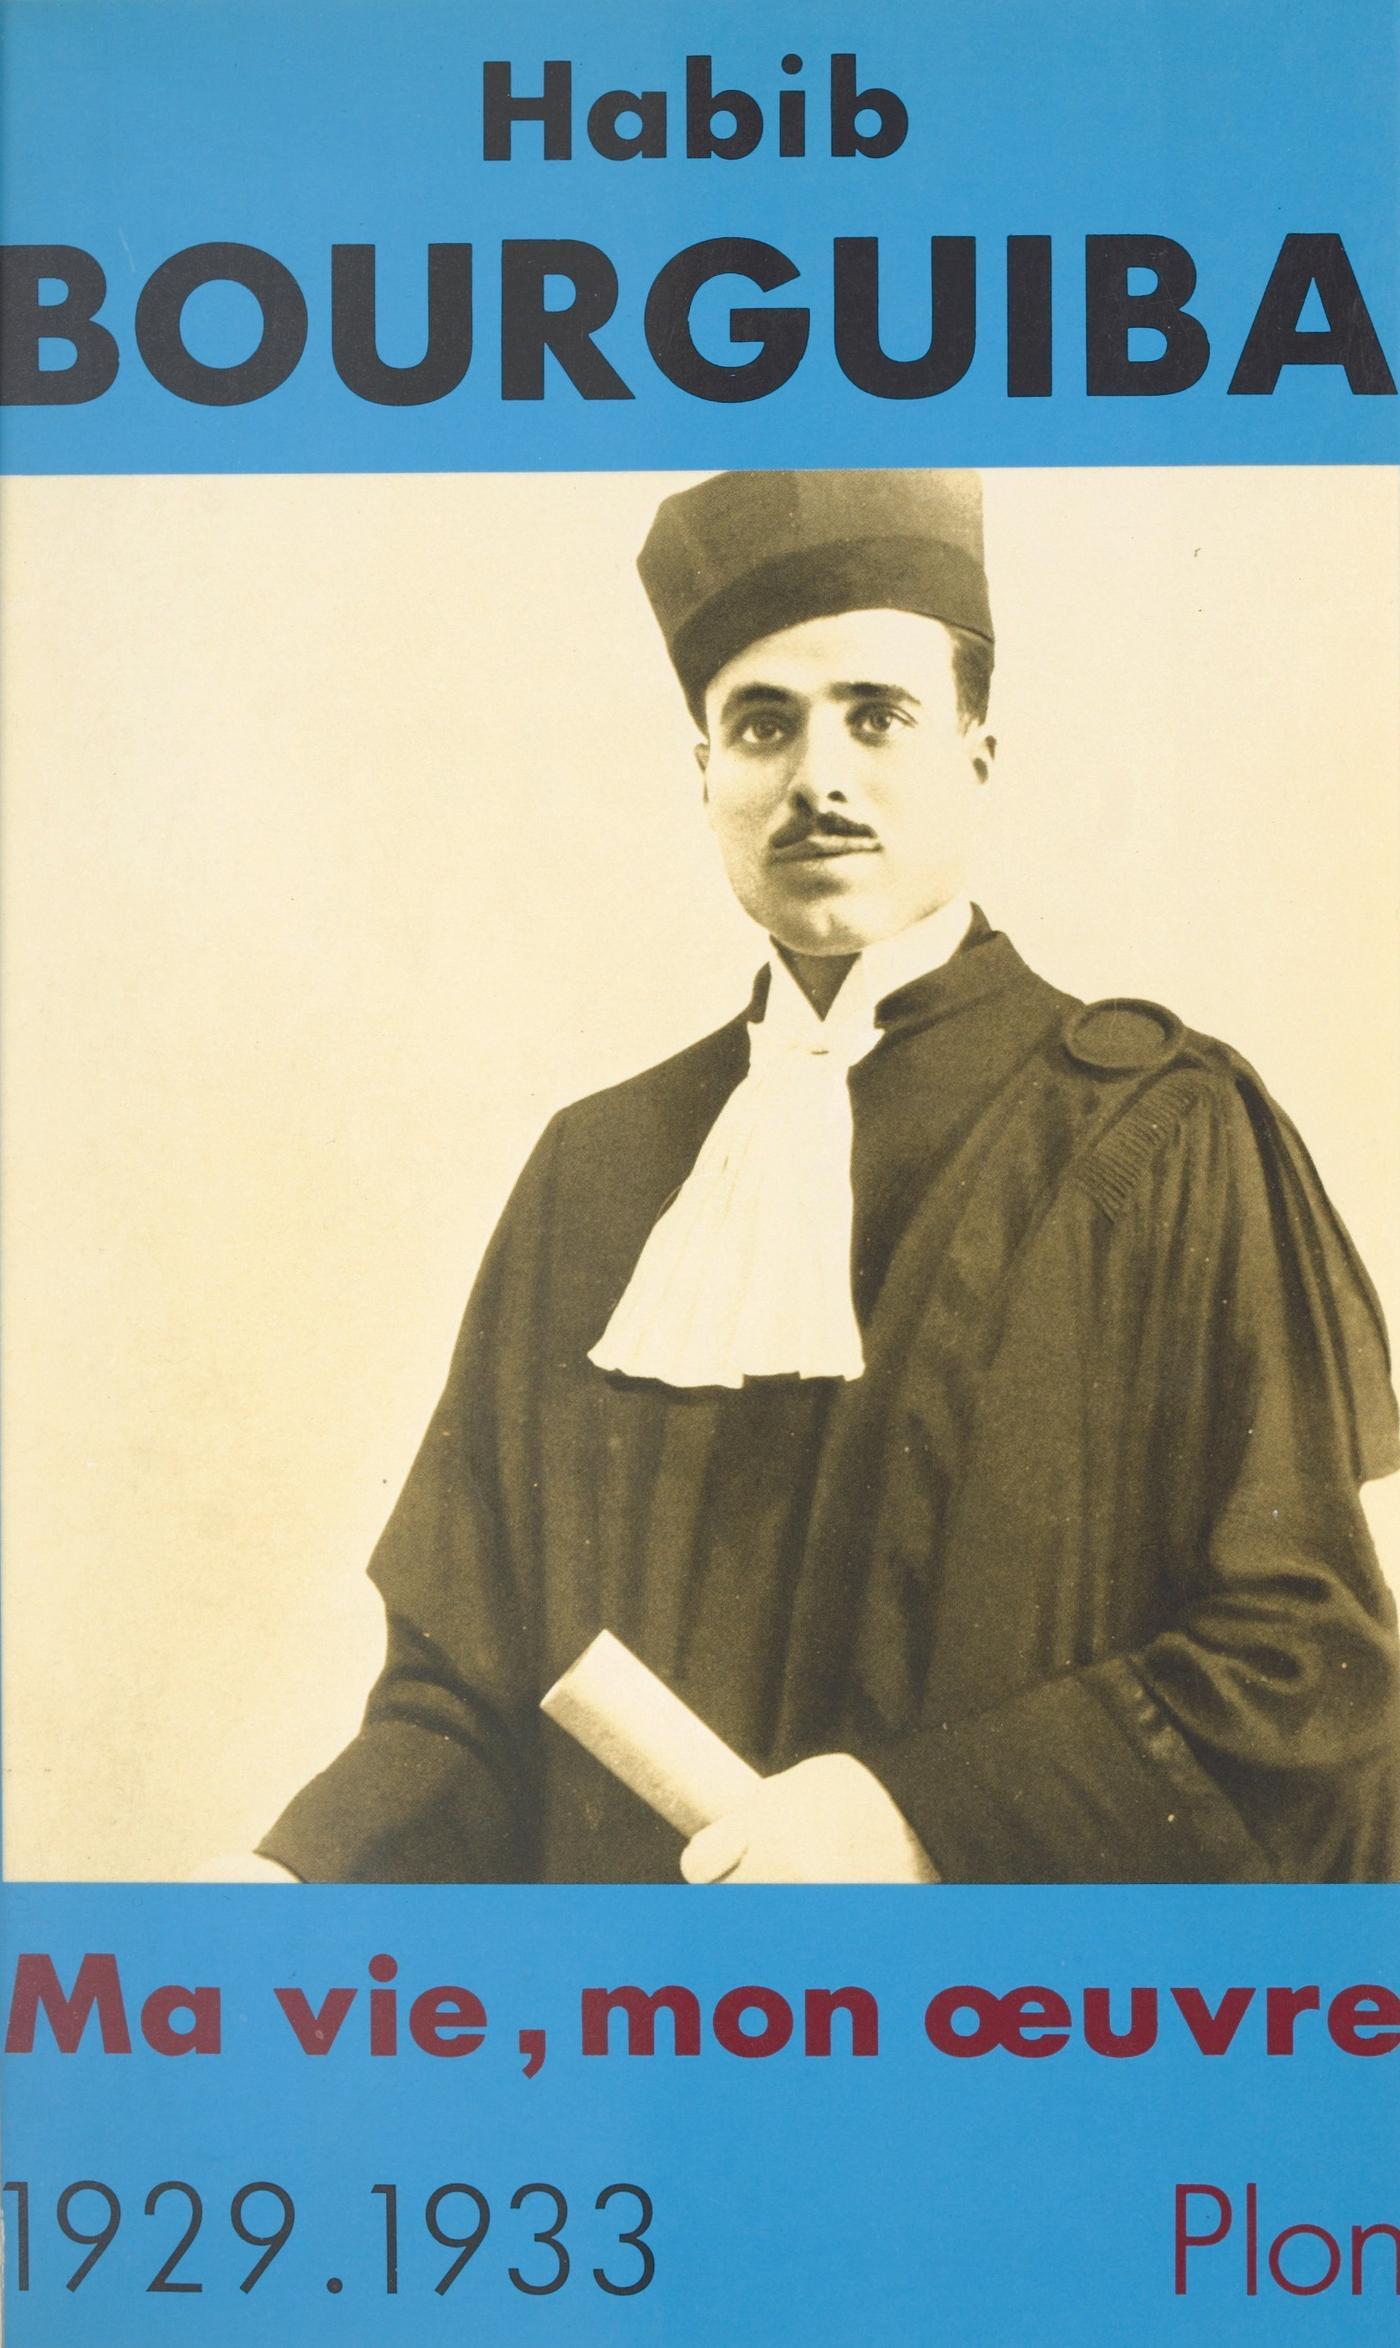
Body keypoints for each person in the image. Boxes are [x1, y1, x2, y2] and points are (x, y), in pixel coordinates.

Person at [248, 467, 1400, 1886]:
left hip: (995, 2008)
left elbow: (1306, 1672)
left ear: (977, 754)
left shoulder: (1161, 1135)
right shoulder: (594, 1172)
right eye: (762, 724)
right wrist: (288, 1881)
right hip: (636, 2016)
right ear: (704, 777)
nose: (819, 780)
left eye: (877, 714)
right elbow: (463, 1707)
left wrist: (915, 1815)